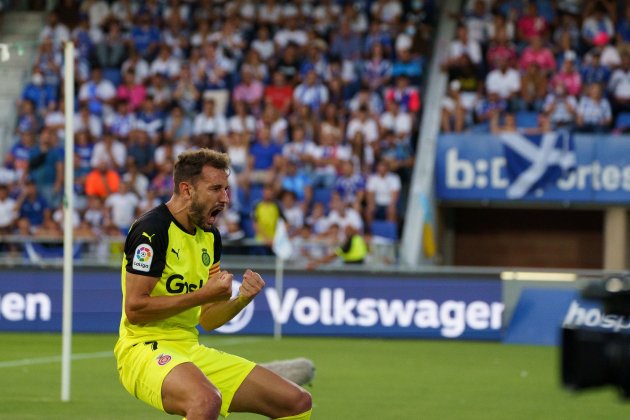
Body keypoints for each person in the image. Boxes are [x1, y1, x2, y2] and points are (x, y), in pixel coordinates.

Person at [114, 149, 312, 420]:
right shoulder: (152, 230)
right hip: (143, 349)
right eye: (216, 189)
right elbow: (135, 310)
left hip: (188, 349)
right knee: (206, 401)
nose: (225, 198)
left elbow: (207, 320)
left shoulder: (210, 236)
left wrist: (241, 298)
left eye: (227, 189)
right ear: (187, 189)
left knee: (296, 401)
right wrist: (201, 294)